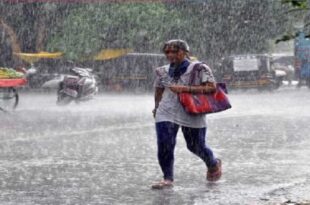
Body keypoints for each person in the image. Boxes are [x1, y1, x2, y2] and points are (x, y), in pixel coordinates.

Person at [152, 39, 222, 189]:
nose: (170, 55)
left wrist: (185, 89)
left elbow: (211, 87)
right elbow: (159, 89)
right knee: (164, 144)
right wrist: (156, 107)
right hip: (167, 111)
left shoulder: (199, 68)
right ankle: (167, 178)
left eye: (174, 51)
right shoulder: (162, 71)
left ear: (184, 52)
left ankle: (213, 163)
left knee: (195, 145)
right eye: (167, 52)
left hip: (191, 110)